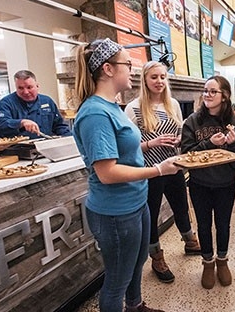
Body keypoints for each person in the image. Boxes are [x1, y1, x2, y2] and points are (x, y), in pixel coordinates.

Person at [73, 38, 180, 312]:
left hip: (135, 202)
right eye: (127, 64)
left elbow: (121, 151)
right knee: (117, 280)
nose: (131, 70)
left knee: (137, 262)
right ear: (108, 69)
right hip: (115, 212)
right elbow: (107, 172)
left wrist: (148, 145)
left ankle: (135, 305)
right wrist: (158, 169)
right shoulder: (95, 113)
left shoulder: (111, 107)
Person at [125, 61, 200, 284]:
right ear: (145, 81)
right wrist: (152, 143)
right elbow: (127, 147)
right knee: (151, 215)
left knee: (181, 207)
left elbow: (179, 134)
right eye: (154, 77)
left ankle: (190, 241)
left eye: (162, 77)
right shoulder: (133, 108)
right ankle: (156, 256)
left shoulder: (173, 104)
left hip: (173, 167)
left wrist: (179, 141)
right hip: (149, 170)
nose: (159, 81)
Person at [180, 75, 235, 289]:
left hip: (225, 185)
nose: (207, 95)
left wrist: (234, 145)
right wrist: (208, 143)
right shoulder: (192, 121)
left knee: (224, 225)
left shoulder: (233, 123)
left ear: (224, 96)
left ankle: (222, 261)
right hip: (199, 185)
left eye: (212, 91)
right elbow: (186, 155)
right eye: (205, 91)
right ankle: (208, 263)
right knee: (204, 226)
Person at [0, 70, 71, 138]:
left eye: (29, 87)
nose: (26, 92)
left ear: (37, 86)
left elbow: (59, 126)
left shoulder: (47, 101)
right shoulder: (6, 103)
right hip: (18, 150)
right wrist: (21, 123)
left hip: (45, 146)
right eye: (20, 88)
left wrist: (70, 138)